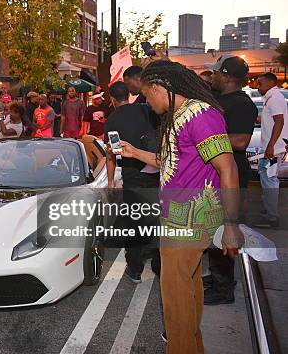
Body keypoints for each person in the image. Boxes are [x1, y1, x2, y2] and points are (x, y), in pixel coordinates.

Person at [118, 60, 244, 354]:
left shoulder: (201, 115)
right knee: (187, 291)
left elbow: (228, 170)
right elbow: (172, 164)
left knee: (175, 297)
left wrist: (231, 224)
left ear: (163, 87)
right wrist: (135, 152)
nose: (148, 103)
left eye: (148, 95)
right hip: (179, 217)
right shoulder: (181, 115)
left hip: (191, 218)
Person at [206, 55, 257, 305]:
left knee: (224, 229)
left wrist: (205, 139)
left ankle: (224, 288)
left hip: (232, 174)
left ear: (226, 77)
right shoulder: (219, 98)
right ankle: (218, 278)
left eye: (216, 73)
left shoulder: (241, 104)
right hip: (216, 174)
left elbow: (241, 141)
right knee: (212, 230)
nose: (212, 76)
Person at [104, 81, 160, 283]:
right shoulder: (146, 109)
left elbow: (112, 155)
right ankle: (159, 265)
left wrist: (111, 182)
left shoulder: (112, 121)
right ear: (129, 94)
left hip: (132, 175)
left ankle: (135, 269)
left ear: (111, 99)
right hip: (157, 171)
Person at [254, 72, 287, 228]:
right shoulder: (272, 98)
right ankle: (269, 212)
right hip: (272, 148)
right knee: (266, 179)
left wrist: (271, 145)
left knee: (269, 180)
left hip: (273, 149)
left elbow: (279, 122)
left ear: (270, 82)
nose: (257, 86)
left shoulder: (274, 98)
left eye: (260, 83)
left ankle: (272, 218)